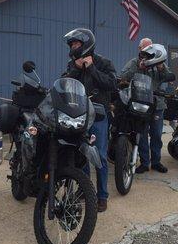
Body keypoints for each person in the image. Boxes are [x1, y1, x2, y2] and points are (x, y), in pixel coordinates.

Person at [63, 28, 117, 212]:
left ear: (86, 44)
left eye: (76, 44)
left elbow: (111, 84)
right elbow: (64, 83)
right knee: (81, 155)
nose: (73, 47)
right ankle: (86, 190)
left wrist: (92, 68)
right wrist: (77, 70)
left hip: (99, 116)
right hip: (78, 116)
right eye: (71, 45)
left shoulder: (103, 62)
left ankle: (102, 196)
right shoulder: (72, 64)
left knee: (99, 156)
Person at [120, 38, 169, 174]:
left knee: (157, 134)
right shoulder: (134, 62)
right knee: (141, 134)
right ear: (139, 49)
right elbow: (123, 76)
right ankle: (144, 162)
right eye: (143, 49)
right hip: (140, 103)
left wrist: (161, 67)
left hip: (157, 104)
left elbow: (168, 76)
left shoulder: (158, 63)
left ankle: (156, 162)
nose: (146, 52)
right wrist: (138, 67)